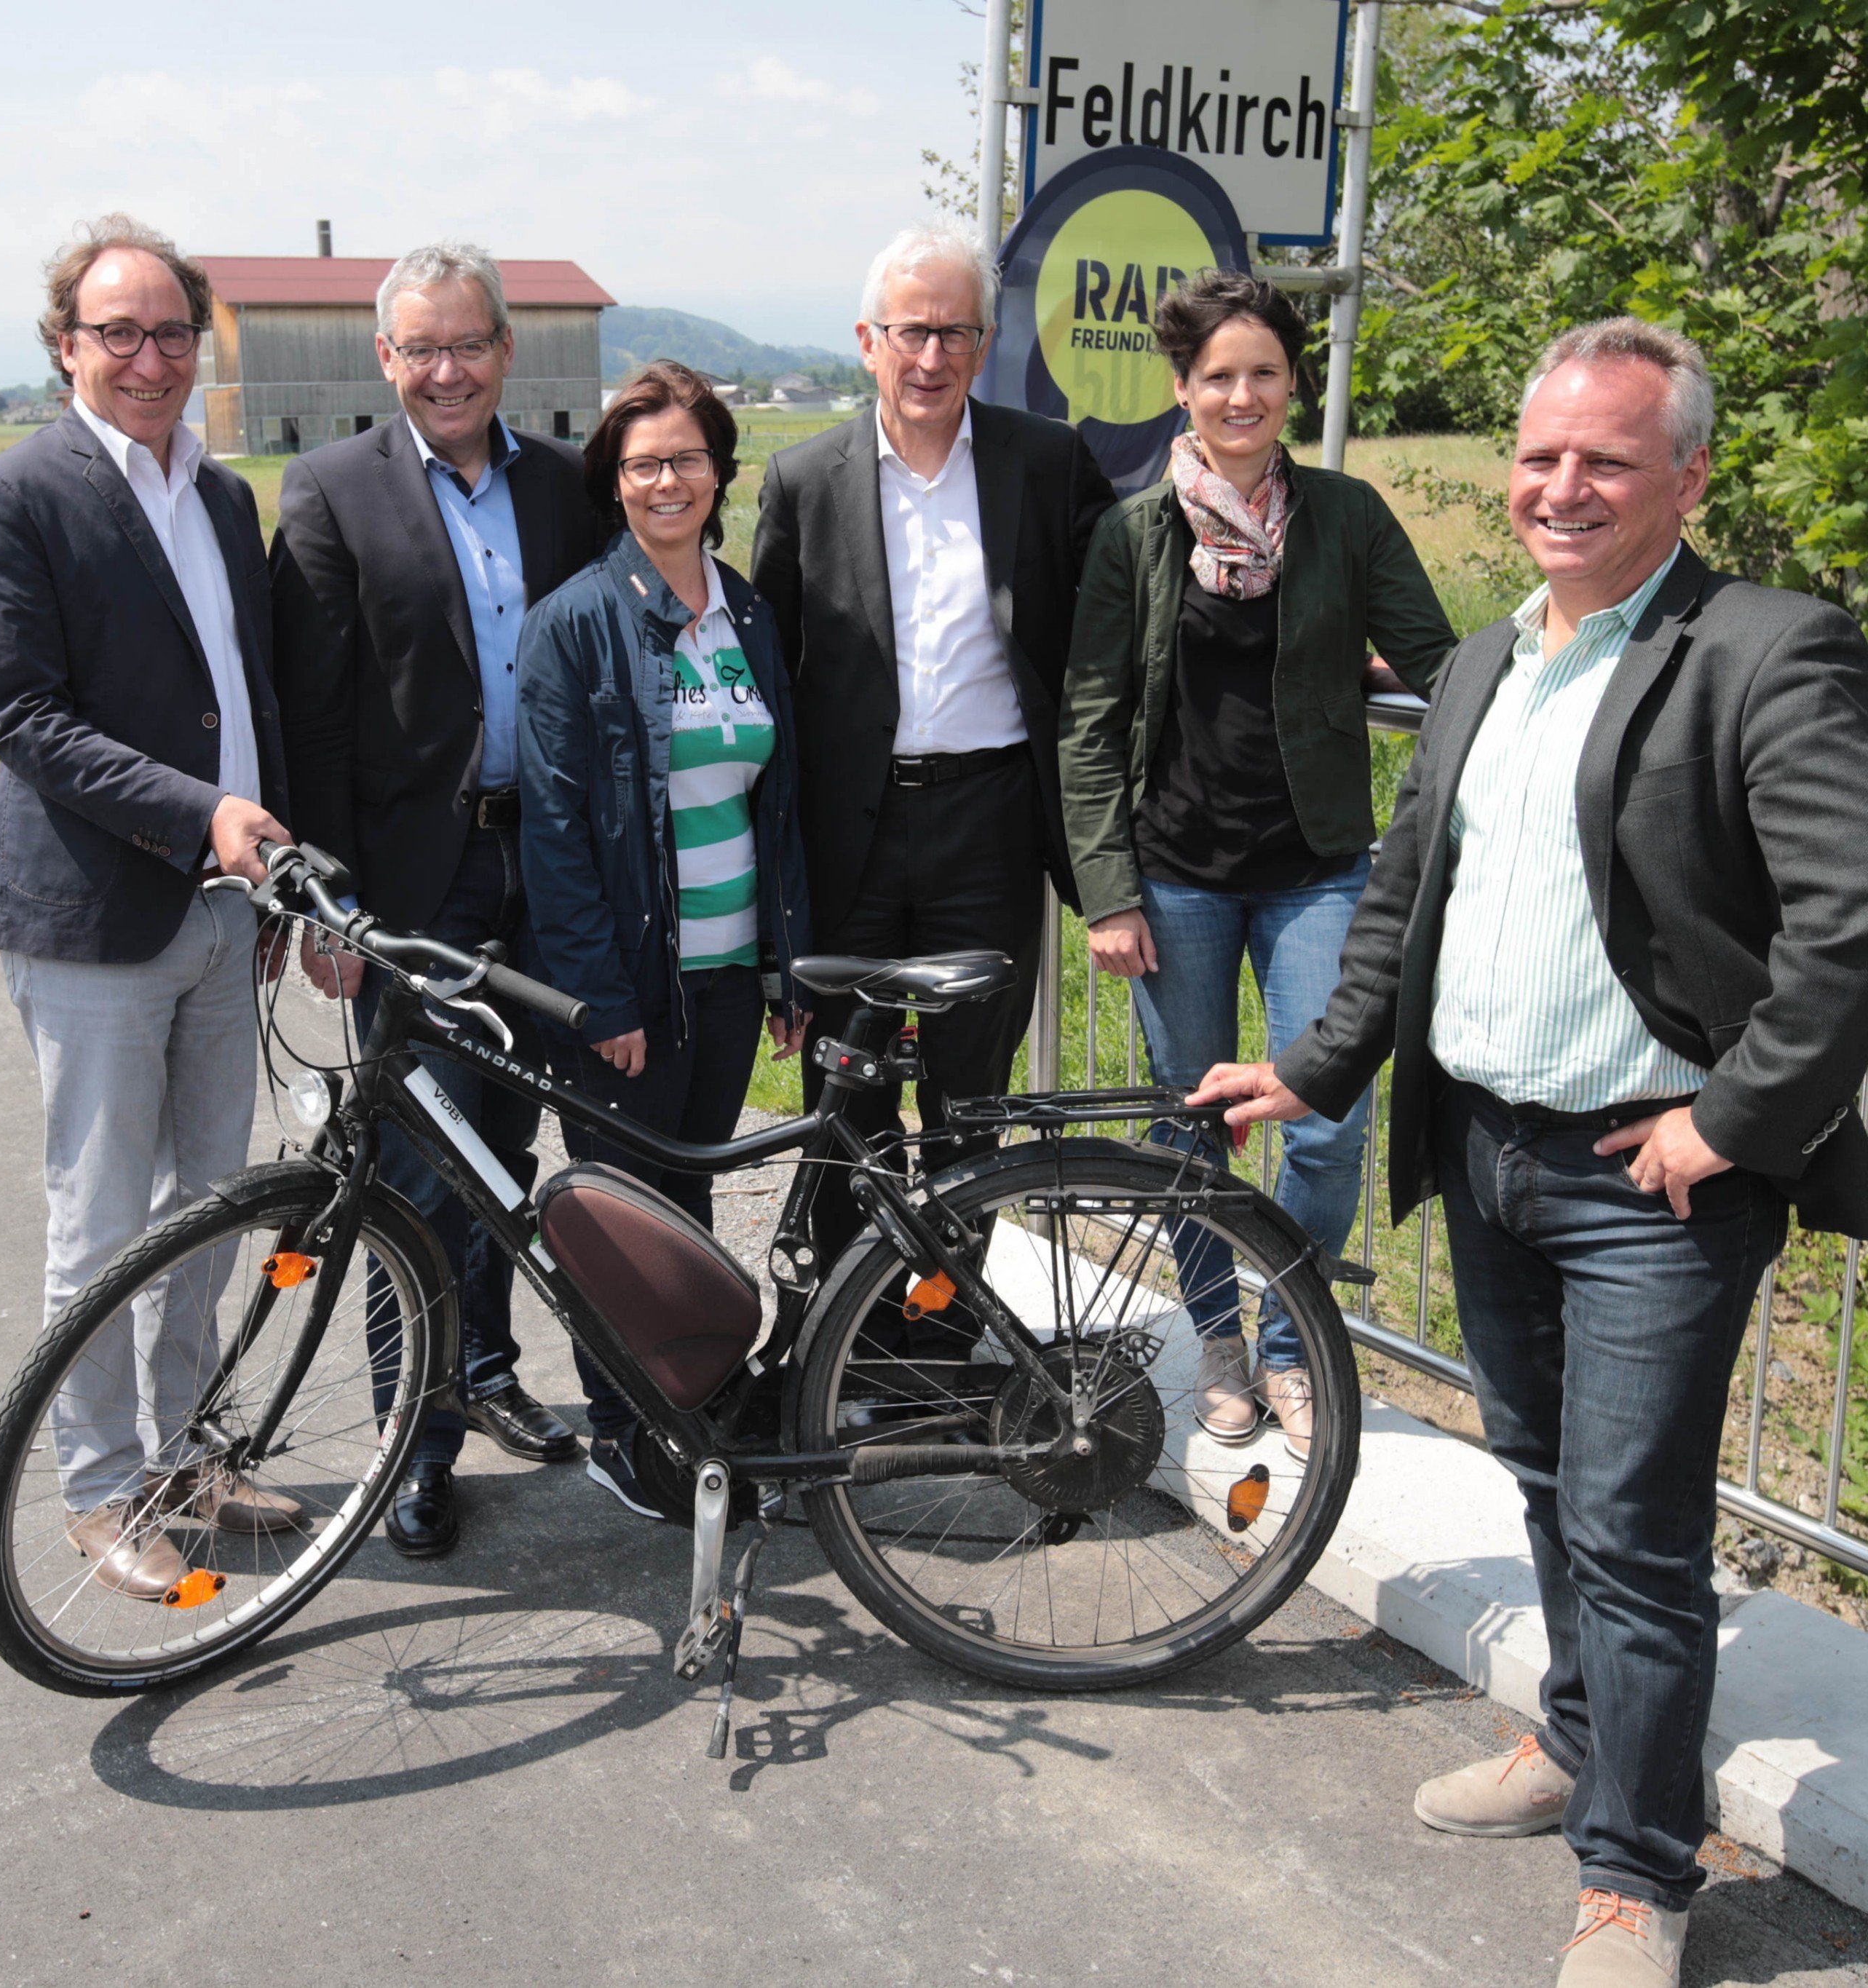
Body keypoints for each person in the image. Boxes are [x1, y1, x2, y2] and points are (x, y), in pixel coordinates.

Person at [1190, 318, 1868, 1986]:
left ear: (1685, 476)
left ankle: (1635, 1876)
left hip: (1651, 1181)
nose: (1560, 488)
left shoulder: (1766, 649)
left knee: (1634, 1528)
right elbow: (1403, 898)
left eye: (1607, 460)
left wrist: (1732, 1118)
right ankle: (1577, 1736)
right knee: (1551, 1482)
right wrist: (1314, 1065)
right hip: (1483, 1154)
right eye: (1540, 455)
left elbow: (1845, 927)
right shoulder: (1491, 659)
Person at [0, 214, 301, 1601]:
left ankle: (189, 1455)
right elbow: (23, 717)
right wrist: (197, 811)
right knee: (100, 1226)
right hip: (92, 917)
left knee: (208, 1209)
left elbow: (252, 701)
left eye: (172, 333)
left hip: (227, 916)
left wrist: (279, 865)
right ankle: (99, 1491)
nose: (150, 359)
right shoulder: (14, 494)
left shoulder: (220, 497)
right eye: (119, 333)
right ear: (65, 345)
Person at [1058, 269, 1456, 1459]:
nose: (1243, 395)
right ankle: (1216, 1343)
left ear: (1295, 385)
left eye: (1265, 374)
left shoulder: (1346, 518)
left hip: (1319, 868)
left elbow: (1441, 658)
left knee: (1325, 1119)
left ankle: (1293, 1342)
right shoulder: (1134, 534)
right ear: (1184, 389)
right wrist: (1107, 890)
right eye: (1219, 376)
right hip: (1172, 877)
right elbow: (1087, 717)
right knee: (1192, 1124)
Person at [269, 241, 609, 1559]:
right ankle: (416, 1440)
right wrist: (327, 908)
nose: (448, 369)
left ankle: (492, 1373)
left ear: (507, 350)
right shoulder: (329, 491)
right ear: (386, 359)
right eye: (423, 349)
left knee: (513, 1146)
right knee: (414, 1165)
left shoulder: (568, 488)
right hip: (417, 879)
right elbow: (313, 711)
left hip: (552, 868)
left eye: (470, 344)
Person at [751, 219, 1115, 1294]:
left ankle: (950, 1334)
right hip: (850, 833)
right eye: (911, 331)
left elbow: (1125, 600)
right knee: (848, 1093)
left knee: (971, 1099)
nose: (931, 357)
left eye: (956, 333)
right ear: (868, 340)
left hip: (990, 825)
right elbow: (770, 661)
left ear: (986, 342)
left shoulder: (1046, 464)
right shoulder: (803, 479)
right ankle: (842, 1340)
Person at [518, 362, 813, 1514]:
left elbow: (773, 806)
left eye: (686, 458)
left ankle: (686, 1423)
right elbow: (555, 830)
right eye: (643, 464)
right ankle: (625, 1436)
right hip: (632, 986)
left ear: (720, 470)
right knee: (613, 1216)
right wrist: (600, 998)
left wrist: (784, 964)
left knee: (683, 1217)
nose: (666, 480)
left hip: (732, 974)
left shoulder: (746, 613)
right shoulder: (576, 625)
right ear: (616, 483)